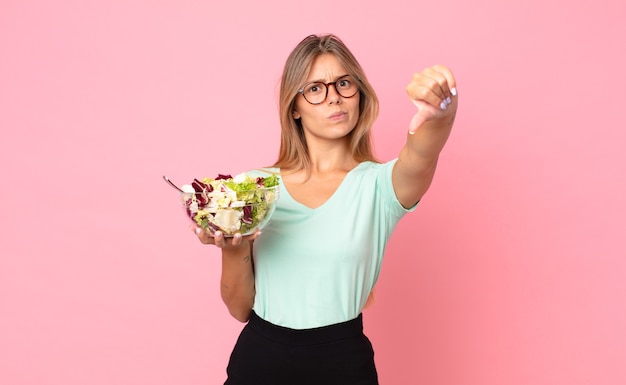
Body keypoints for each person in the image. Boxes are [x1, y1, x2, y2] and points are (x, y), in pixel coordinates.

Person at [190, 34, 458, 385]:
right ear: (295, 107)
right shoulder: (257, 188)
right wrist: (233, 244)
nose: (334, 96)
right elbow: (240, 308)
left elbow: (422, 154)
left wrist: (441, 113)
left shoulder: (380, 186)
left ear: (359, 94)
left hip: (342, 362)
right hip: (260, 360)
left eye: (344, 83)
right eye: (315, 88)